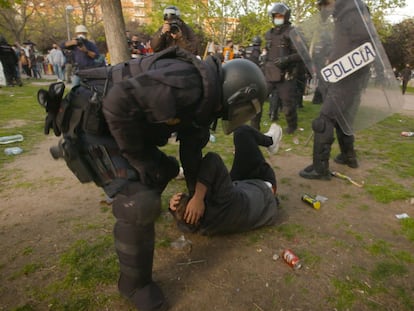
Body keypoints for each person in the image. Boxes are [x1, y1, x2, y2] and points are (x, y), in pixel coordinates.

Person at [38, 48, 267, 311]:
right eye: (245, 108)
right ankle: (134, 284)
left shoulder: (206, 97)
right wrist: (139, 162)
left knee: (165, 169)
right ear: (238, 93)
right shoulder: (189, 84)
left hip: (118, 124)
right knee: (140, 202)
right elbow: (116, 103)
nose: (240, 115)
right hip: (97, 125)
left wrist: (196, 197)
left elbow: (191, 151)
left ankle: (132, 206)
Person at [299, 0, 372, 180]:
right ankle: (349, 157)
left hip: (347, 78)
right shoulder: (346, 11)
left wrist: (340, 64)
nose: (322, 7)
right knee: (342, 118)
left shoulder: (350, 11)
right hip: (350, 77)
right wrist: (332, 58)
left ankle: (320, 168)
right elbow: (348, 45)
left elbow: (365, 45)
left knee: (324, 120)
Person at [169, 124, 281, 236]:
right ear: (199, 210)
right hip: (264, 189)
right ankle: (271, 141)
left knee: (199, 176)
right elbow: (213, 159)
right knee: (242, 132)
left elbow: (185, 220)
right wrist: (198, 198)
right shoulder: (222, 200)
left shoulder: (204, 223)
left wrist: (173, 207)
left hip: (240, 191)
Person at [258, 3, 302, 134]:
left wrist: (287, 59)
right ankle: (254, 126)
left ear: (286, 16)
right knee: (258, 100)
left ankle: (292, 126)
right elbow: (268, 50)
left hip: (286, 74)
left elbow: (301, 54)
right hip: (269, 73)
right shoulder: (269, 34)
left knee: (288, 105)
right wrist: (263, 58)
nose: (277, 18)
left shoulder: (292, 32)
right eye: (275, 16)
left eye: (280, 16)